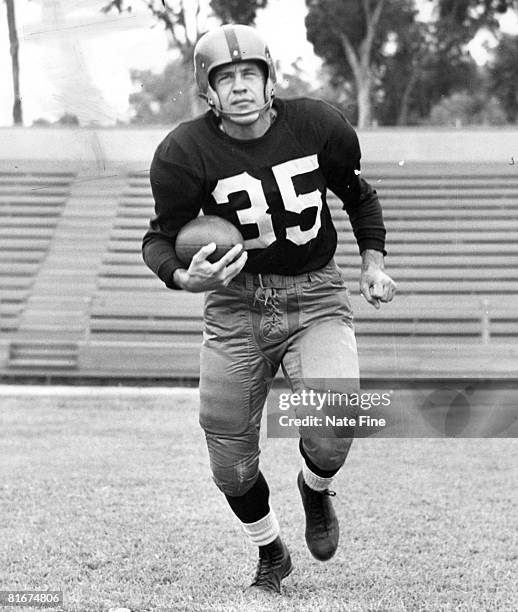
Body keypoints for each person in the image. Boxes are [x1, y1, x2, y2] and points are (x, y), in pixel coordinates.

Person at [142, 24, 396, 595]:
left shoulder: (318, 124)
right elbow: (158, 239)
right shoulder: (183, 152)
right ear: (208, 91)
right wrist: (185, 276)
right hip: (235, 305)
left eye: (247, 75)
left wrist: (372, 264)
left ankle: (314, 487)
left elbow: (359, 196)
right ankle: (271, 552)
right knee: (228, 457)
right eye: (224, 78)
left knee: (337, 418)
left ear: (269, 78)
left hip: (316, 295)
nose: (238, 87)